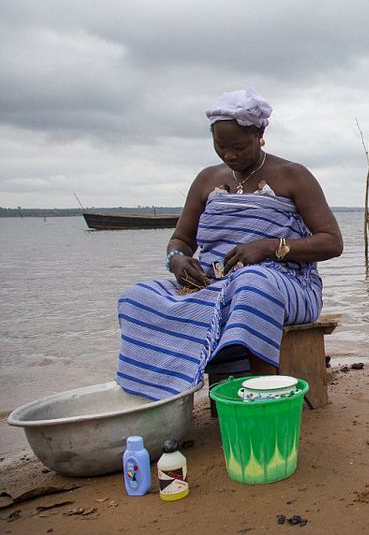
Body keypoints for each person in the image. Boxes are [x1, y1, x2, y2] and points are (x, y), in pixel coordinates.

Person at [116, 87, 343, 400]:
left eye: (238, 147)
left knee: (252, 284)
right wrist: (179, 261)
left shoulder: (293, 176)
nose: (230, 155)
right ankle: (161, 399)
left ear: (260, 134)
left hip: (287, 285)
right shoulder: (207, 180)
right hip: (214, 283)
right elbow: (181, 240)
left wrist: (271, 246)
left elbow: (332, 242)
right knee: (136, 297)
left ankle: (264, 396)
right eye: (221, 146)